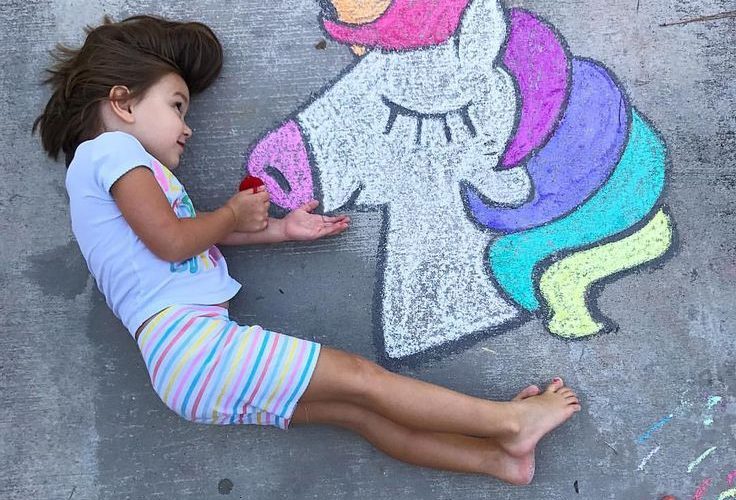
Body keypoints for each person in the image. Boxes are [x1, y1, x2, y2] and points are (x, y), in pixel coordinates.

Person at [33, 15, 581, 485]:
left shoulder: (110, 177)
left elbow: (186, 236)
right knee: (364, 380)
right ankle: (509, 424)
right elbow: (173, 240)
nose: (188, 128)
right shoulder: (110, 152)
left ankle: (499, 460)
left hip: (183, 371)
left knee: (360, 414)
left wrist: (278, 231)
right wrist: (232, 213)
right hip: (198, 348)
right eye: (177, 106)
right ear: (122, 103)